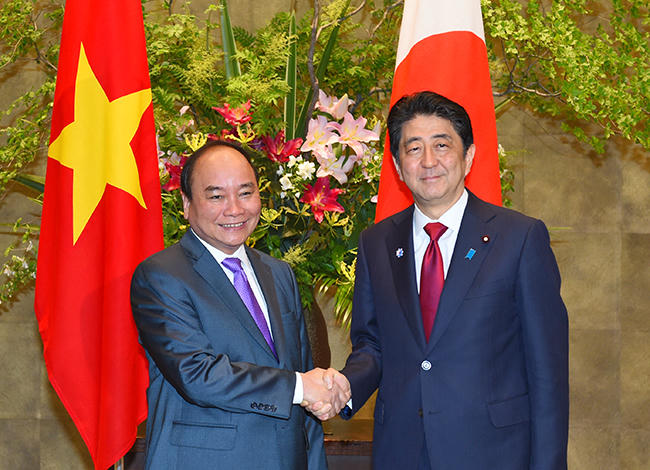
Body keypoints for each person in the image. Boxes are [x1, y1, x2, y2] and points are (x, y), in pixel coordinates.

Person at [333, 91, 569, 469]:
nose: (429, 161)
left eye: (442, 145)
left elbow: (547, 374)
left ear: (468, 156)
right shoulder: (376, 242)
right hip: (402, 452)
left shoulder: (519, 238)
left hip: (494, 453)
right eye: (414, 148)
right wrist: (345, 388)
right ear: (397, 164)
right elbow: (372, 344)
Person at [130, 140, 349, 470]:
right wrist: (299, 387)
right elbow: (197, 373)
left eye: (245, 193)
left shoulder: (279, 274)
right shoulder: (161, 275)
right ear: (186, 204)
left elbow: (302, 380)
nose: (234, 209)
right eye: (216, 196)